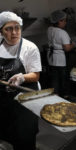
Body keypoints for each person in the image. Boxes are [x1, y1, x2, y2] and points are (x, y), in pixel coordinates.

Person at [0, 11, 42, 150]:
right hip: (4, 100)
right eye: (8, 28)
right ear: (1, 31)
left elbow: (35, 75)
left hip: (25, 101)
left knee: (25, 138)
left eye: (17, 28)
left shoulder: (30, 48)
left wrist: (22, 77)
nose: (14, 32)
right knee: (5, 132)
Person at [47, 10, 75, 98]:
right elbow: (67, 48)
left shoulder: (49, 29)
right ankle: (64, 97)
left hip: (51, 57)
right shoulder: (62, 32)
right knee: (63, 79)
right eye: (64, 20)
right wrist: (73, 44)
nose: (65, 22)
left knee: (54, 78)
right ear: (59, 21)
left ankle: (55, 95)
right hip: (60, 58)